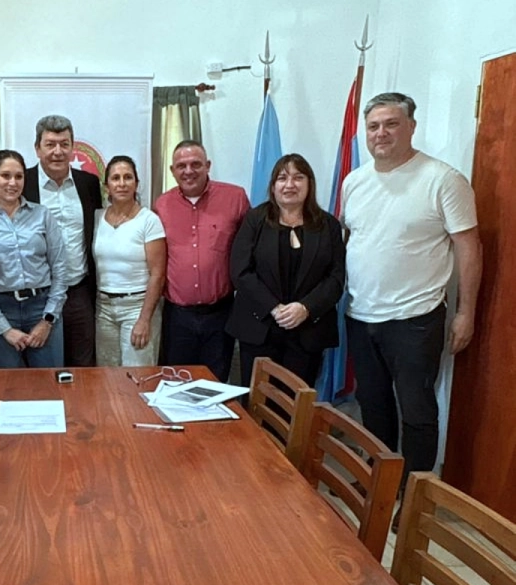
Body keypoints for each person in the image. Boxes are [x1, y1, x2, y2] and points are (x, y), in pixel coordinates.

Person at [342, 92, 482, 529]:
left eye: (391, 124)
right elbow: (357, 240)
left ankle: (417, 497)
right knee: (374, 407)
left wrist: (466, 313)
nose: (381, 133)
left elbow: (469, 247)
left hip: (416, 319)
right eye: (373, 126)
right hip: (362, 315)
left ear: (411, 127)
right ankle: (383, 485)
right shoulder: (355, 182)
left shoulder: (442, 179)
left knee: (417, 412)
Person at [226, 154, 345, 387]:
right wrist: (274, 307)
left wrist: (306, 308)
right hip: (260, 328)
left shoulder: (328, 225)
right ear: (273, 186)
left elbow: (336, 277)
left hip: (308, 330)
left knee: (297, 404)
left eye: (298, 177)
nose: (290, 185)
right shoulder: (255, 219)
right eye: (282, 178)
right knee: (257, 403)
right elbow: (240, 271)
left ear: (309, 183)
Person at [154, 140, 250, 381]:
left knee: (215, 384)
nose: (188, 171)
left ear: (208, 165)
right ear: (172, 171)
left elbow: (251, 250)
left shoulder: (235, 198)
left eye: (196, 164)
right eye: (181, 165)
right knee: (176, 382)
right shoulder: (161, 205)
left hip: (221, 313)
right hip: (177, 317)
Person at [0, 150, 67, 368]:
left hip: (42, 307)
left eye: (18, 176)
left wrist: (48, 320)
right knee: (7, 388)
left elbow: (59, 269)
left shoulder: (42, 215)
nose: (12, 183)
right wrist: (4, 328)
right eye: (5, 175)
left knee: (48, 386)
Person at [23, 115, 102, 366]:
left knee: (83, 365)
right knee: (44, 366)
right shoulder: (22, 183)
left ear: (72, 147)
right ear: (37, 148)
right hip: (38, 294)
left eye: (64, 144)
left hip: (78, 292)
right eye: (50, 144)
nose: (58, 151)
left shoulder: (88, 183)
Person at [93, 156, 166, 366]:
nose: (122, 183)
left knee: (137, 379)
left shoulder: (149, 220)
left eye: (128, 177)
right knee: (106, 377)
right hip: (104, 309)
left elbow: (158, 275)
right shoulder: (97, 217)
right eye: (115, 178)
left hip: (137, 308)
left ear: (136, 183)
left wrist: (144, 320)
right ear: (107, 186)